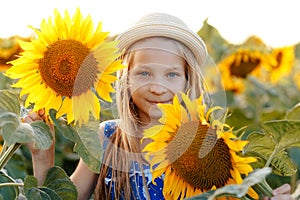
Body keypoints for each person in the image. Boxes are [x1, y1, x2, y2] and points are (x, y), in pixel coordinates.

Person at [25, 13, 292, 200]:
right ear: (125, 79)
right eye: (144, 73)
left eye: (172, 75)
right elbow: (69, 196)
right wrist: (42, 159)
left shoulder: (207, 143)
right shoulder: (107, 138)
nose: (157, 86)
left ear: (189, 80)